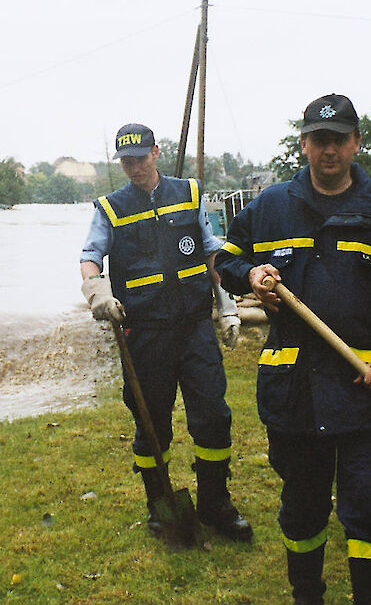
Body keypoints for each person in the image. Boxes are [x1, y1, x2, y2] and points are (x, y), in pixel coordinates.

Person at [216, 94, 371, 605]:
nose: (329, 150)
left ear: (356, 143)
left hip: (367, 390)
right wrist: (250, 273)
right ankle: (306, 595)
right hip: (294, 394)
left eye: (339, 139)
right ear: (305, 144)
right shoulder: (271, 206)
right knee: (302, 506)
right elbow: (227, 257)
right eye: (320, 140)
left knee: (368, 505)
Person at [79, 123, 252, 542]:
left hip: (194, 328)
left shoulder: (189, 194)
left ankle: (215, 504)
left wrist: (226, 306)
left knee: (213, 416)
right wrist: (96, 290)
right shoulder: (110, 207)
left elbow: (210, 251)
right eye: (126, 161)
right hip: (145, 333)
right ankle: (160, 506)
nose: (134, 167)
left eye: (140, 157)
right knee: (151, 423)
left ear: (156, 152)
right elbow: (89, 257)